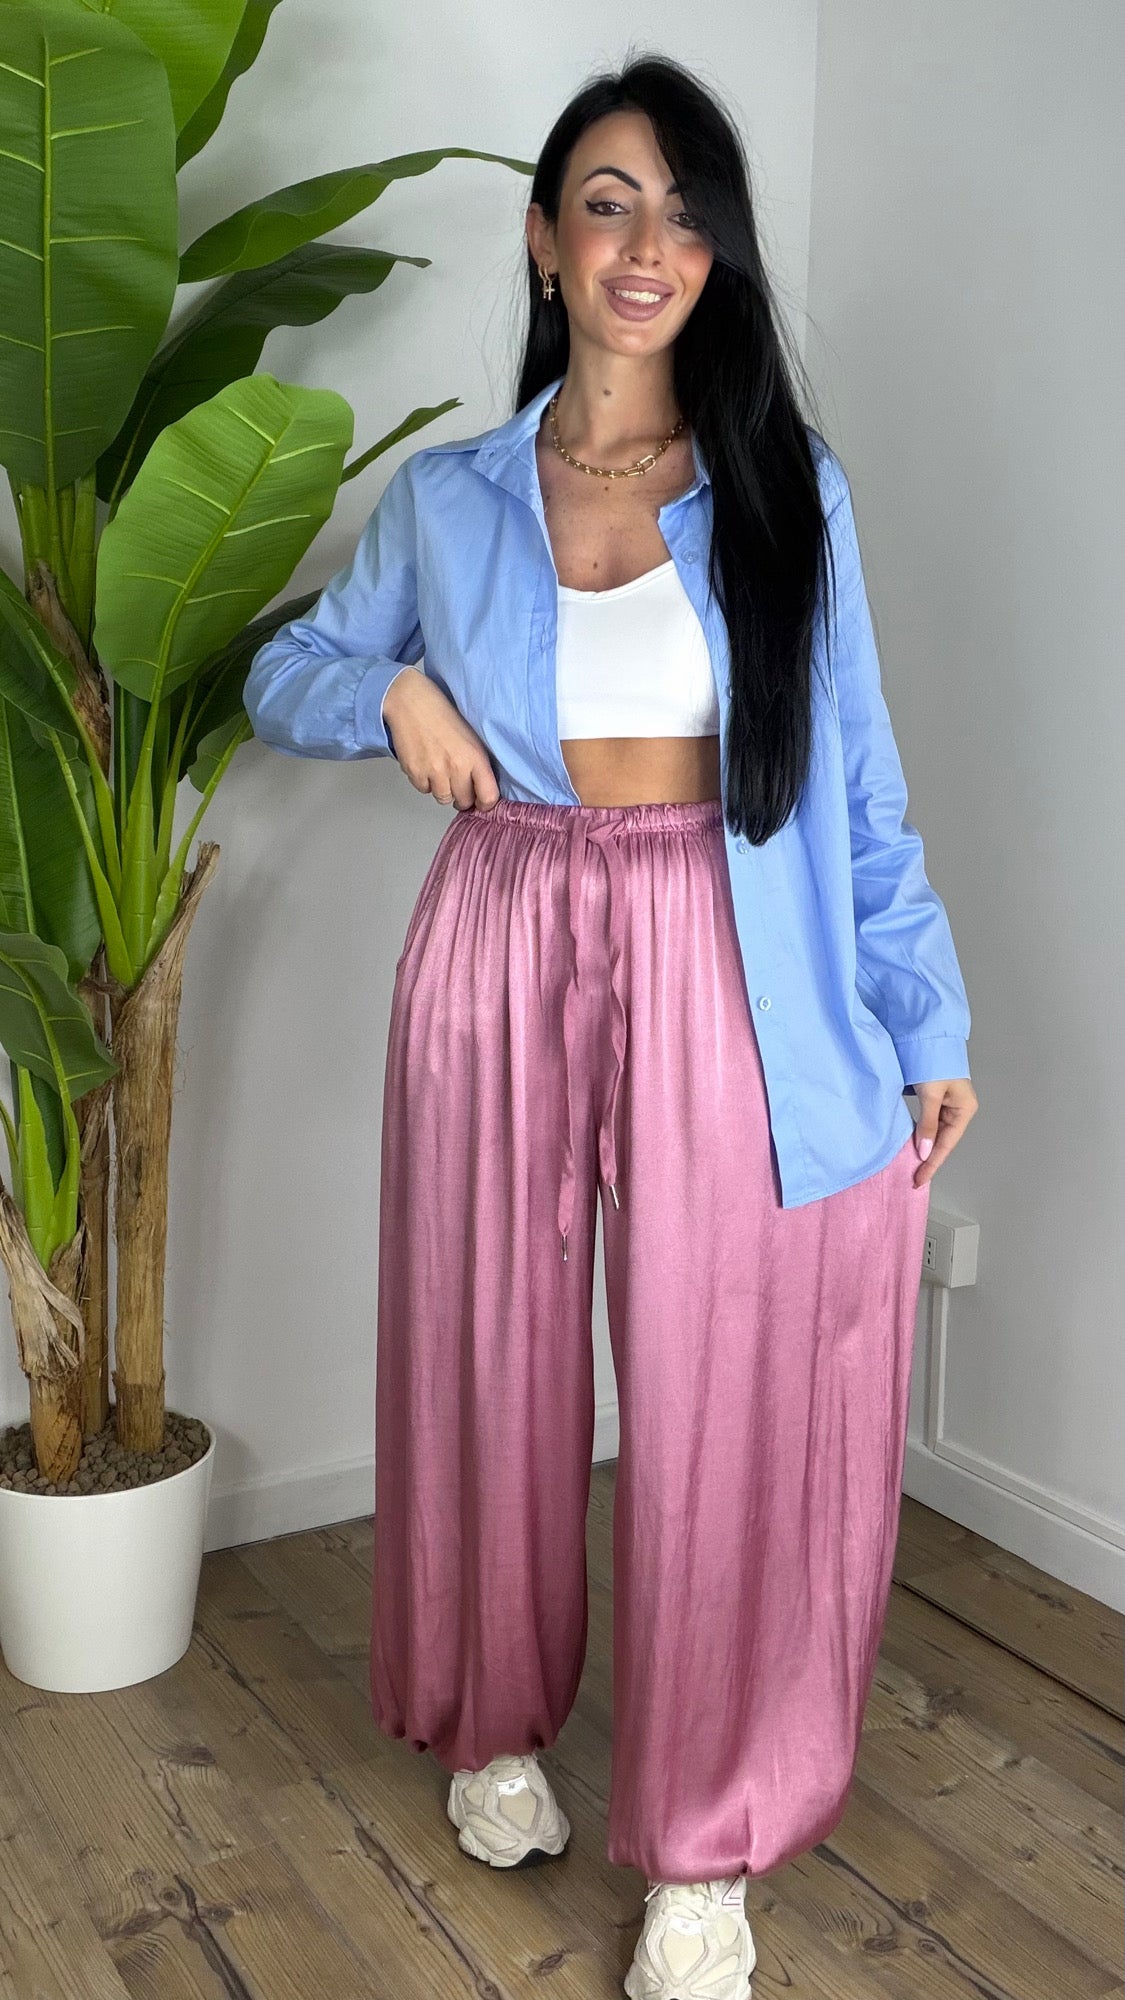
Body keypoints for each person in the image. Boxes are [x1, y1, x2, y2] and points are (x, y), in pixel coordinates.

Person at [243, 52, 978, 2000]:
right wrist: (387, 695)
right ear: (541, 242)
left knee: (718, 1372)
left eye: (684, 214)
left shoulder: (785, 491)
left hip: (720, 937)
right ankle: (490, 1721)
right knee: (486, 1336)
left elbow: (860, 785)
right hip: (498, 923)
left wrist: (921, 1011)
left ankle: (706, 1841)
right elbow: (286, 669)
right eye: (606, 202)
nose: (646, 245)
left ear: (713, 258)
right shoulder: (450, 497)